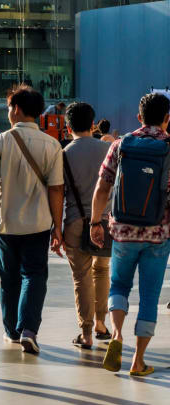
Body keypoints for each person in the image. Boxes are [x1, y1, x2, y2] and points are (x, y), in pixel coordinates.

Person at [0, 84, 64, 355]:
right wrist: (58, 227)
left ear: (15, 109)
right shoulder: (52, 145)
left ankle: (12, 332)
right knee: (35, 274)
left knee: (9, 279)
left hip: (5, 224)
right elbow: (56, 190)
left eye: (8, 108)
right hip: (39, 224)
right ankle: (29, 329)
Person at [91, 92, 170, 377]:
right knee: (149, 296)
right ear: (167, 119)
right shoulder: (169, 147)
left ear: (139, 117)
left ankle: (116, 334)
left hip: (122, 230)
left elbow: (102, 188)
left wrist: (94, 223)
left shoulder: (120, 144)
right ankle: (138, 361)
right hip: (158, 235)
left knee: (118, 286)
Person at [62, 102, 112, 350]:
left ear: (67, 125)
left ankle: (86, 332)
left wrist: (55, 228)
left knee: (81, 277)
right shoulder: (109, 149)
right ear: (93, 125)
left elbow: (58, 192)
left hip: (75, 221)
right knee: (102, 270)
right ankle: (102, 323)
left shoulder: (64, 154)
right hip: (104, 220)